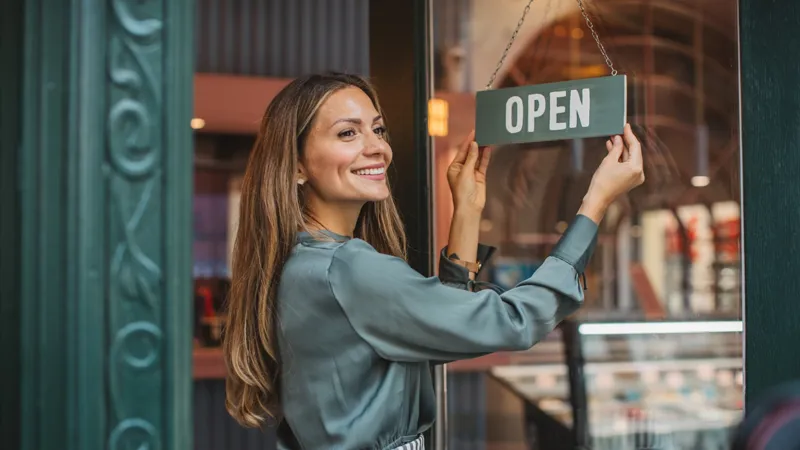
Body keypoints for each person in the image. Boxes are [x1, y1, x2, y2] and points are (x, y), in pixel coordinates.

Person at [223, 72, 645, 449]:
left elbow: (439, 327)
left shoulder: (303, 262)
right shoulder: (348, 268)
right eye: (348, 134)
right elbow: (514, 321)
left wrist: (466, 211)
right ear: (297, 165)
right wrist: (595, 203)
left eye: (378, 129)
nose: (378, 148)